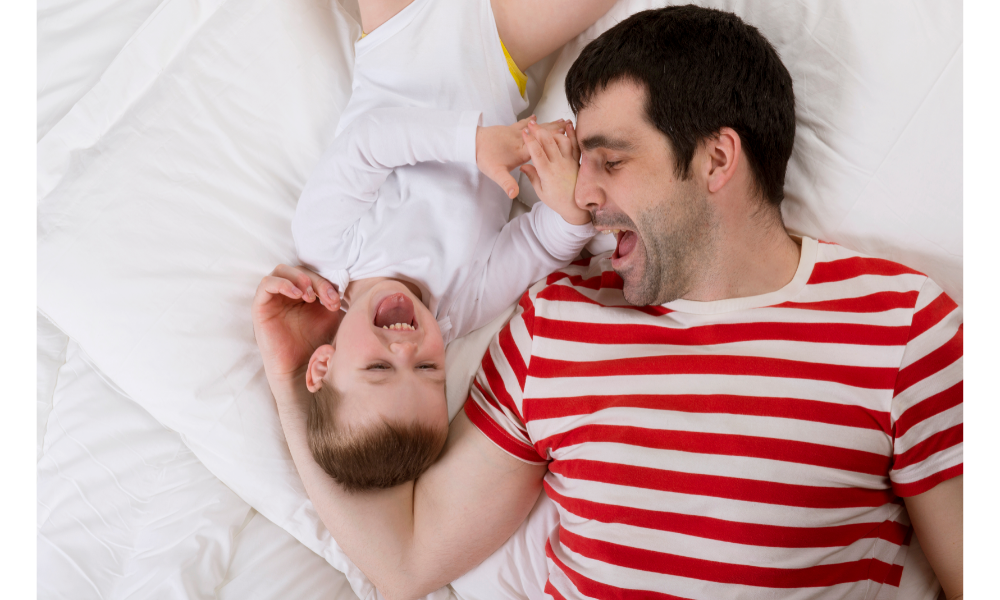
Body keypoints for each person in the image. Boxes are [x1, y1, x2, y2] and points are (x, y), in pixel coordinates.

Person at [253, 5, 963, 599]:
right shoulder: (553, 328)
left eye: (612, 162)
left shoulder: (899, 325)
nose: (584, 197)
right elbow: (405, 562)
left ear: (717, 160)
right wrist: (291, 371)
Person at [287, 0, 618, 492]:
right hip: (492, 52)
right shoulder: (459, 308)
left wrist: (475, 144)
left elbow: (368, 142)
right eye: (427, 368)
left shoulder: (325, 247)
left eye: (379, 367)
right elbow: (535, 245)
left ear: (324, 363)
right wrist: (568, 211)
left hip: (398, 38)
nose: (406, 346)